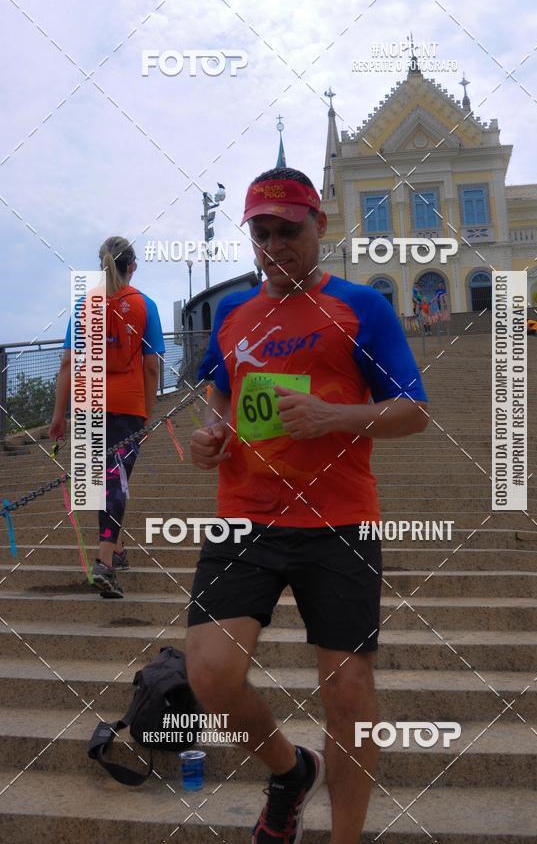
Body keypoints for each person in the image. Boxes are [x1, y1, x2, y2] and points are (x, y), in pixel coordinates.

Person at [186, 167, 428, 844]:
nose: (273, 245)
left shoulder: (361, 307)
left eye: (287, 230)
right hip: (246, 513)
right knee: (208, 673)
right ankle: (291, 771)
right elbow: (223, 393)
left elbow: (414, 411)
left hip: (338, 521)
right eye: (260, 233)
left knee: (348, 693)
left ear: (320, 226)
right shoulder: (234, 315)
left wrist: (332, 415)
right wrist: (213, 435)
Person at [49, 236, 165, 597]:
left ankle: (115, 549)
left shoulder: (84, 305)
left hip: (87, 403)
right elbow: (150, 367)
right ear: (132, 265)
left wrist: (59, 415)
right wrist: (147, 413)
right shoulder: (145, 305)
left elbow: (67, 362)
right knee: (114, 480)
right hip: (127, 407)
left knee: (104, 482)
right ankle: (104, 562)